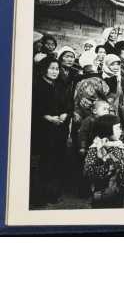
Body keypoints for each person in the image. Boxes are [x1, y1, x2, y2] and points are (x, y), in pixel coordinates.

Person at [30, 56, 71, 206]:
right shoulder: (36, 85)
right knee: (43, 162)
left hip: (59, 128)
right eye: (51, 68)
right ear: (44, 69)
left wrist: (64, 114)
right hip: (42, 129)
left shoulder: (60, 85)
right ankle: (38, 197)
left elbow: (67, 103)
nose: (55, 71)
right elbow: (33, 107)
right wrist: (47, 117)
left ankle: (52, 193)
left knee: (56, 160)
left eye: (57, 68)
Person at [83, 114, 124, 208]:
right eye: (118, 128)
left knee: (118, 206)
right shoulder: (96, 148)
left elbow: (123, 163)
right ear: (107, 131)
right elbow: (88, 171)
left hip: (118, 185)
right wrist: (106, 165)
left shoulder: (117, 144)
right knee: (102, 209)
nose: (121, 131)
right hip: (103, 187)